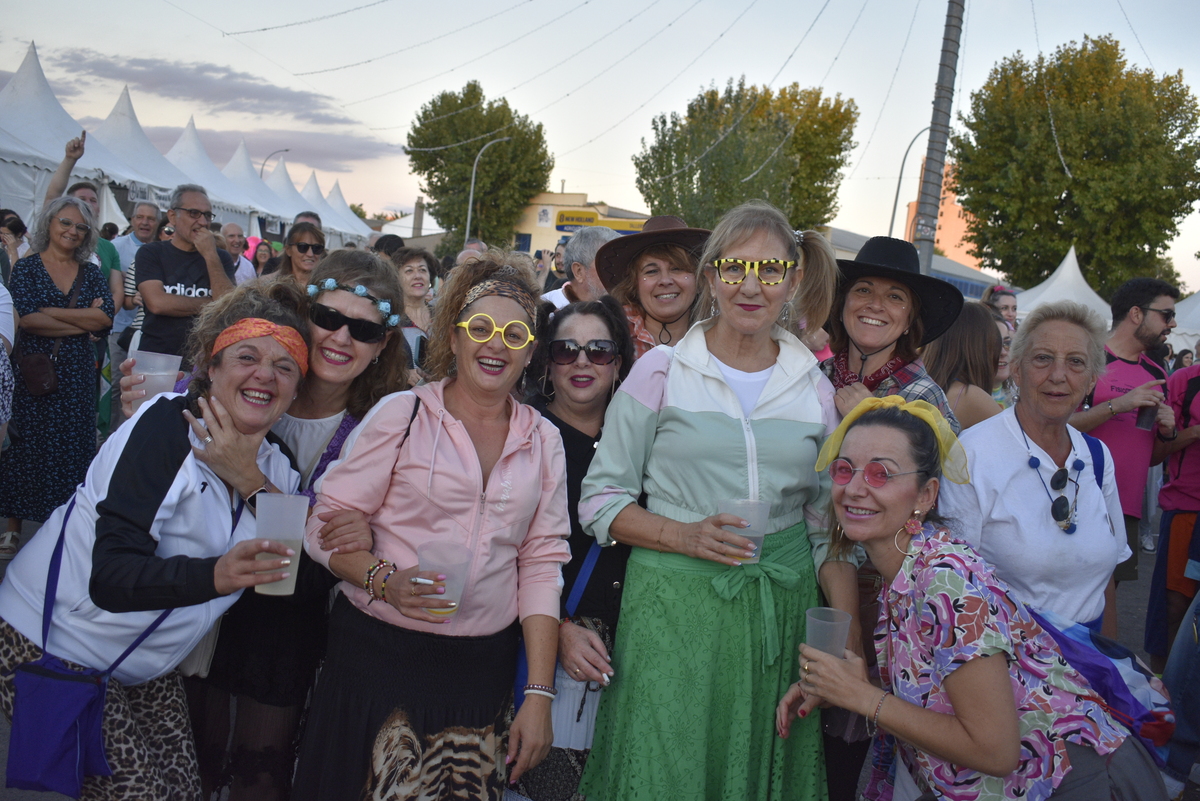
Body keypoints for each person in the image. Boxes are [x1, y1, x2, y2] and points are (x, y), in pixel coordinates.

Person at [577, 200, 853, 801]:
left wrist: (841, 648)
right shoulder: (661, 372)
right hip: (673, 609)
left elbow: (825, 528)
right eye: (733, 268)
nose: (751, 286)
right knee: (664, 768)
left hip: (775, 615)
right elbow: (600, 500)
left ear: (794, 280)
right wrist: (685, 535)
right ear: (710, 278)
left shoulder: (814, 388)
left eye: (771, 271)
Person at [0, 283, 308, 799]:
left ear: (297, 388)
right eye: (247, 357)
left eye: (285, 366)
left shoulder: (280, 469)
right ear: (210, 368)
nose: (264, 375)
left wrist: (248, 478)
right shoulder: (169, 426)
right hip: (50, 638)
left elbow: (295, 573)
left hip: (141, 664)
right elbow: (111, 576)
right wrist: (217, 575)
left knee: (185, 791)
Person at [121, 251, 410, 799]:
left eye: (365, 328)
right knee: (188, 764)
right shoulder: (253, 382)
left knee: (261, 772)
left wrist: (250, 477)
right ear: (305, 317)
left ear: (382, 346)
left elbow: (327, 551)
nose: (341, 338)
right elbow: (157, 440)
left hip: (290, 622)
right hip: (200, 599)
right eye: (328, 318)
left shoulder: (385, 427)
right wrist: (139, 403)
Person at [777, 395, 1165, 801]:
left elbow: (995, 750)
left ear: (926, 495)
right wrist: (845, 685)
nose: (854, 488)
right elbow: (943, 691)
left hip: (1071, 783)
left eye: (881, 474)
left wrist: (862, 696)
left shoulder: (944, 580)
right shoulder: (906, 569)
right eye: (845, 469)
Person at [292, 254, 570, 799]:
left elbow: (540, 564)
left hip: (477, 677)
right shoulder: (404, 415)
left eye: (515, 334)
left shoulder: (544, 441)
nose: (496, 345)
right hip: (377, 664)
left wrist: (538, 694)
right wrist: (383, 580)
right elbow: (323, 523)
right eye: (481, 329)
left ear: (531, 352)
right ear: (455, 336)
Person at [940, 301, 1129, 638]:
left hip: (1090, 657)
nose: (1058, 375)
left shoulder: (1098, 457)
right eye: (1042, 358)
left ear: (1090, 381)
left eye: (1075, 362)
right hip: (1010, 659)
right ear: (1016, 369)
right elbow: (954, 587)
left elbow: (1107, 581)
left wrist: (1111, 663)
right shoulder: (971, 454)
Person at [510, 296, 636, 801]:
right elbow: (501, 554)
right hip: (538, 653)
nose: (582, 362)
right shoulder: (523, 437)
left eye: (599, 350)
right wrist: (557, 629)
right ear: (547, 362)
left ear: (619, 363)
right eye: (567, 350)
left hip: (623, 662)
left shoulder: (642, 445)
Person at [0, 197, 115, 560]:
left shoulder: (91, 271)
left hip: (78, 373)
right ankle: (12, 530)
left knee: (72, 447)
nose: (73, 231)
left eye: (81, 227)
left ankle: (63, 525)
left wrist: (48, 311)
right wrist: (82, 318)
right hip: (35, 369)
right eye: (66, 223)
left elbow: (106, 319)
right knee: (25, 446)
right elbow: (26, 320)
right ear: (49, 223)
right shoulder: (27, 268)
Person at [1069, 278, 1179, 590]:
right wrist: (1119, 404)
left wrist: (1168, 433)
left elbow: (1151, 455)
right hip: (1077, 500)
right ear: (1136, 313)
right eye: (1166, 315)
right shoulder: (1088, 358)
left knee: (1107, 602)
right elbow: (1056, 427)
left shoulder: (1157, 374)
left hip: (1126, 508)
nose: (1171, 324)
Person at [823, 236, 965, 433]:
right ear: (840, 307)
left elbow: (935, 464)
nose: (876, 305)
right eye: (863, 290)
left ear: (909, 321)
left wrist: (869, 418)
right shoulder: (814, 375)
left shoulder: (924, 397)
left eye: (894, 297)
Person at [135, 185, 237, 362]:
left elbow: (228, 306)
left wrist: (210, 255)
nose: (203, 222)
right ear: (173, 216)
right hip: (157, 357)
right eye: (194, 213)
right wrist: (212, 303)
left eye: (207, 215)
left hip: (204, 360)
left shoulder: (220, 258)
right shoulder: (151, 252)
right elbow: (157, 303)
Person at [1145, 352, 1200, 672]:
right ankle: (1161, 695)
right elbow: (1157, 451)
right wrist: (1193, 433)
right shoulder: (1183, 381)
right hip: (1187, 509)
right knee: (1174, 606)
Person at [595, 215, 707, 357]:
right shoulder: (608, 334)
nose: (665, 280)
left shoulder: (723, 338)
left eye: (677, 268)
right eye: (652, 271)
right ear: (634, 284)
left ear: (699, 281)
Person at [110, 201, 160, 430]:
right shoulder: (116, 246)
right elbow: (123, 298)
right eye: (140, 217)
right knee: (116, 388)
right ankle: (111, 436)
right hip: (119, 330)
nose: (145, 222)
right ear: (132, 220)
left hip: (150, 335)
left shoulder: (161, 253)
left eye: (150, 218)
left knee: (141, 390)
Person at [922, 301, 1003, 430]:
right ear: (983, 348)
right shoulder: (970, 397)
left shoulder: (922, 386)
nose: (1002, 353)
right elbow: (1020, 444)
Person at [542, 226, 620, 309]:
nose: (618, 273)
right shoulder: (543, 311)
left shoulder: (619, 310)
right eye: (608, 265)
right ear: (579, 272)